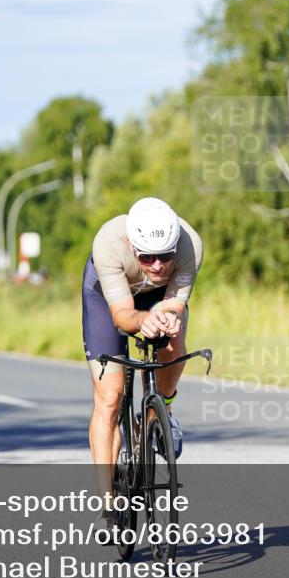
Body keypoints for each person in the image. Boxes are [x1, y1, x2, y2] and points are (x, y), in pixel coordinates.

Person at [82, 197, 203, 535]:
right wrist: (144, 320)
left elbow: (176, 305)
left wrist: (165, 319)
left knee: (175, 342)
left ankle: (156, 416)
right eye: (146, 257)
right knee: (110, 396)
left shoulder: (190, 244)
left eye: (164, 255)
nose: (157, 265)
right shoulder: (108, 241)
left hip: (160, 298)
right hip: (109, 298)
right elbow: (121, 316)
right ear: (130, 245)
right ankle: (107, 506)